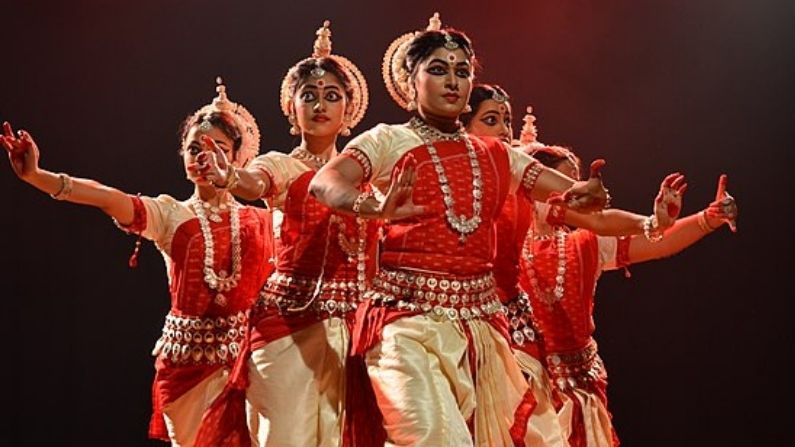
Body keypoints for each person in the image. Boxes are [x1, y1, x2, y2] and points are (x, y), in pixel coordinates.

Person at [308, 13, 609, 446]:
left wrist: (588, 193)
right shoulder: (387, 140)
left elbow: (568, 194)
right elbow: (326, 181)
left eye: (462, 72)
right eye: (437, 69)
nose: (452, 80)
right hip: (405, 323)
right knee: (433, 437)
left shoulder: (493, 154)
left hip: (480, 330)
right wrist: (371, 205)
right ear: (411, 83)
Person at [1, 80, 273, 447]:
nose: (203, 157)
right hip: (187, 367)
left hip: (250, 364)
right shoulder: (170, 214)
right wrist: (37, 176)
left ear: (238, 159)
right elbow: (107, 197)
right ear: (182, 156)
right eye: (193, 148)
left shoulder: (263, 221)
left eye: (217, 149)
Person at [462, 84, 687, 445]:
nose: (505, 131)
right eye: (492, 120)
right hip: (449, 321)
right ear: (463, 125)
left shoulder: (524, 188)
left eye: (507, 121)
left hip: (510, 337)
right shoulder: (440, 171)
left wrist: (654, 223)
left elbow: (597, 220)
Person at [197, 21, 375, 447]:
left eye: (332, 97)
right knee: (285, 436)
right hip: (287, 325)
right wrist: (229, 177)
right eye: (308, 96)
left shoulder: (369, 172)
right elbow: (255, 183)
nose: (319, 105)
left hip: (356, 328)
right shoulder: (281, 164)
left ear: (348, 111)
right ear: (292, 110)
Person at [519, 143, 737, 447]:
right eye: (567, 183)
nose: (576, 193)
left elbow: (658, 244)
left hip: (579, 390)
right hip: (522, 388)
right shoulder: (502, 243)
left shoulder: (587, 243)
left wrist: (708, 219)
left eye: (578, 184)